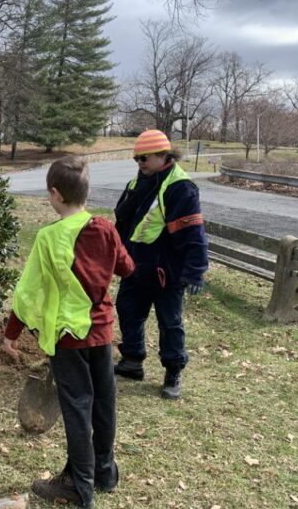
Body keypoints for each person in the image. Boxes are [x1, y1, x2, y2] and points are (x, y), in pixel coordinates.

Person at [3, 155, 134, 508]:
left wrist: (11, 332)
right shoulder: (105, 228)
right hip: (102, 333)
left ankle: (79, 485)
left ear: (55, 194)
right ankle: (104, 472)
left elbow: (28, 292)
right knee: (104, 403)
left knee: (77, 407)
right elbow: (127, 266)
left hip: (67, 339)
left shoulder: (48, 238)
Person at [113, 129, 208, 400]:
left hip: (168, 272)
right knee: (128, 311)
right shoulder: (137, 183)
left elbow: (194, 233)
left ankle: (173, 371)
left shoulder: (180, 187)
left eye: (145, 158)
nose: (140, 163)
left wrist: (195, 272)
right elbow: (124, 224)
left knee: (170, 323)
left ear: (163, 155)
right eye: (137, 159)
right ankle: (132, 361)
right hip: (135, 266)